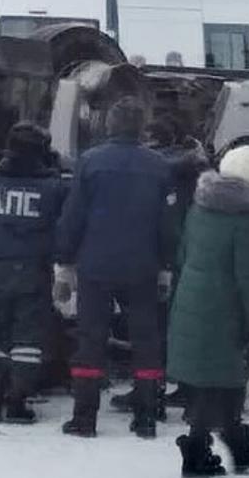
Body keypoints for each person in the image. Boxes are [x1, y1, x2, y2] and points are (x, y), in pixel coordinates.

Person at [57, 97, 176, 439]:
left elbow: (73, 216)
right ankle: (146, 418)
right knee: (146, 341)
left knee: (90, 339)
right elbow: (167, 224)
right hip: (143, 266)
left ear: (110, 124)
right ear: (141, 128)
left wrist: (64, 260)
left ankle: (84, 418)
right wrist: (166, 265)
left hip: (96, 265)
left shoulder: (91, 162)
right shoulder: (159, 166)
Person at [167, 145, 249, 478]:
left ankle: (238, 447)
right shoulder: (246, 219)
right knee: (219, 382)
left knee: (217, 381)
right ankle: (197, 451)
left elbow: (182, 255)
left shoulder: (200, 204)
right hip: (223, 309)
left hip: (191, 299)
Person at [110, 115, 208, 417]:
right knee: (184, 329)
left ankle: (149, 391)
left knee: (151, 331)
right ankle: (189, 390)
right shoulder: (195, 169)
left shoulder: (150, 169)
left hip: (155, 258)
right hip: (188, 256)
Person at [0, 123, 67, 424]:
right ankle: (17, 403)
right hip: (33, 267)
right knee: (27, 338)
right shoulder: (51, 186)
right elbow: (59, 216)